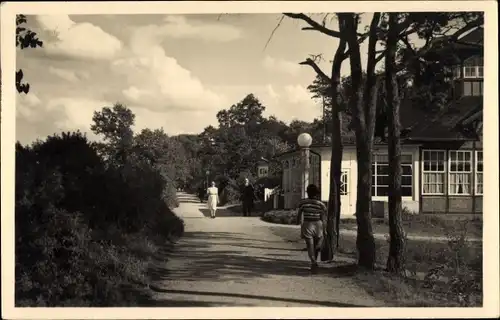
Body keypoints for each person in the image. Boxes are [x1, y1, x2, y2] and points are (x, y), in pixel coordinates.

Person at [296, 184, 327, 272]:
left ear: (307, 193)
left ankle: (313, 262)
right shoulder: (321, 204)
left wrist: (297, 222)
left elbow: (299, 214)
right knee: (316, 246)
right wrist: (324, 230)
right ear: (316, 193)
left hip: (307, 225)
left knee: (310, 245)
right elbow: (323, 218)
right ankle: (314, 261)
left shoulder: (303, 203)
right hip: (318, 225)